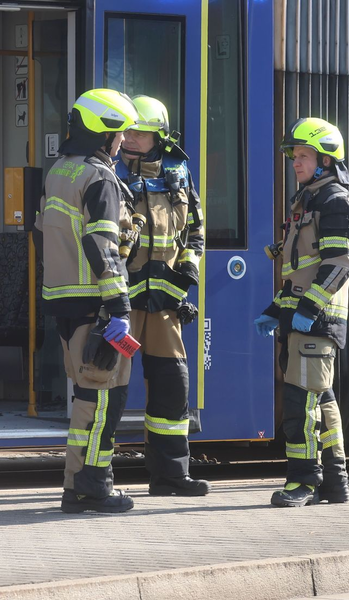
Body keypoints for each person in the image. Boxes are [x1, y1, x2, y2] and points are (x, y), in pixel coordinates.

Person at [34, 88, 139, 513]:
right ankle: (94, 486)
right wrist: (118, 306)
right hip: (96, 304)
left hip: (63, 302)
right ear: (105, 133)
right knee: (102, 397)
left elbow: (43, 234)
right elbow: (101, 244)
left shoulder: (60, 171)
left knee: (84, 395)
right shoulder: (100, 178)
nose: (124, 142)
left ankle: (75, 487)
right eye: (121, 134)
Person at [256, 117, 349, 507]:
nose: (295, 163)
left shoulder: (334, 201)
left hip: (317, 319)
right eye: (294, 156)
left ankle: (304, 482)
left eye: (303, 156)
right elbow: (299, 272)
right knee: (322, 399)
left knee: (301, 404)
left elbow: (339, 263)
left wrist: (310, 308)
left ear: (326, 161)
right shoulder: (307, 200)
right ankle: (334, 482)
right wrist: (275, 310)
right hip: (301, 318)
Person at [116, 95, 210, 497]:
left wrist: (188, 270)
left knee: (173, 385)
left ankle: (171, 475)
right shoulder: (110, 171)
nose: (132, 137)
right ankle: (96, 481)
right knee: (109, 385)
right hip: (120, 304)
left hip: (165, 304)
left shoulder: (178, 172)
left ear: (159, 135)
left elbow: (195, 232)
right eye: (128, 130)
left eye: (140, 131)